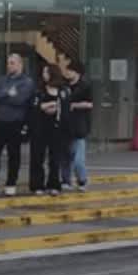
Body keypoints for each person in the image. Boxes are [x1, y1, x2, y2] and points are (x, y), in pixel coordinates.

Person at [0, 53, 35, 197]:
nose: (9, 65)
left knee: (14, 155)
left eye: (12, 63)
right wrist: (8, 93)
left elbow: (20, 100)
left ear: (20, 64)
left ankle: (11, 184)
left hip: (15, 123)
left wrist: (2, 96)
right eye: (8, 62)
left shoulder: (27, 82)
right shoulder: (2, 79)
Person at [29, 63, 70, 196]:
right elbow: (34, 107)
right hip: (40, 127)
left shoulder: (63, 90)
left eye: (46, 72)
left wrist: (56, 108)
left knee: (55, 158)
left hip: (57, 128)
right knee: (37, 157)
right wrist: (45, 106)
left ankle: (54, 184)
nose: (44, 75)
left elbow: (66, 109)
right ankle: (37, 185)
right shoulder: (39, 90)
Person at [62, 60, 94, 192]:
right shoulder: (64, 85)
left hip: (79, 125)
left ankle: (82, 180)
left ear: (77, 72)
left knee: (78, 159)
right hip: (65, 124)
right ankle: (65, 180)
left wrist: (75, 105)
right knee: (65, 156)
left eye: (70, 70)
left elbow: (90, 104)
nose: (67, 72)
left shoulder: (85, 86)